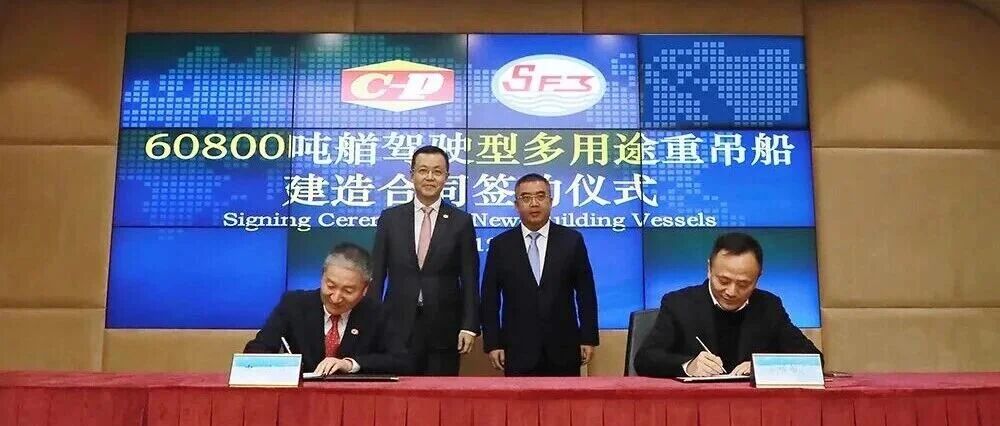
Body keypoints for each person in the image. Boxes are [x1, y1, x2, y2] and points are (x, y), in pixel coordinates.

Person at [634, 232, 821, 378]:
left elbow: (814, 359)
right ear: (709, 269)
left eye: (743, 284)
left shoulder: (769, 306)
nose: (731, 291)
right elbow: (645, 359)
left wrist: (762, 366)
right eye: (723, 281)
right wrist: (689, 365)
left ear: (758, 278)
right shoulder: (679, 304)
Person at [370, 145, 480, 376]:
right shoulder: (390, 219)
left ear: (446, 177)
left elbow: (470, 278)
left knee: (441, 393)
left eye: (437, 172)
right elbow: (377, 274)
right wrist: (369, 320)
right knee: (397, 393)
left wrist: (469, 326)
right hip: (396, 326)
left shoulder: (461, 221)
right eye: (423, 170)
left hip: (444, 328)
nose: (430, 177)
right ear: (412, 175)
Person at [481, 173, 599, 376]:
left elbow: (585, 293)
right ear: (516, 205)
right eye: (526, 198)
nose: (534, 203)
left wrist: (588, 337)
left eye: (540, 196)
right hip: (517, 350)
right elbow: (489, 298)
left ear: (551, 201)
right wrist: (493, 343)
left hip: (564, 348)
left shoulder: (572, 240)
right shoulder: (501, 245)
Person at [245, 243, 410, 375]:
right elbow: (256, 350)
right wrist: (285, 367)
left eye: (348, 291)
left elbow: (400, 361)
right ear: (322, 276)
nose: (336, 298)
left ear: (365, 288)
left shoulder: (377, 313)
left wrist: (350, 364)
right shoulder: (294, 305)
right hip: (301, 399)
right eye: (330, 286)